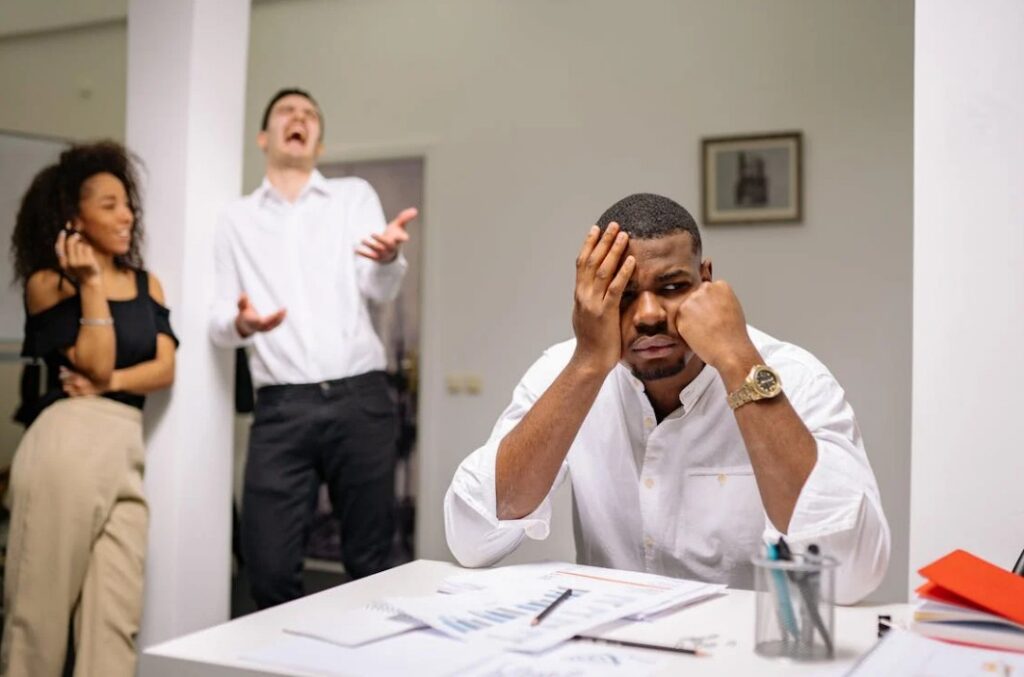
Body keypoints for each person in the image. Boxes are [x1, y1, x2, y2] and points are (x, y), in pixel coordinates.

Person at [444, 193, 890, 604]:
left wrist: (737, 363)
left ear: (707, 282)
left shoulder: (795, 376)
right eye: (624, 295)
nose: (650, 314)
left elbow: (850, 573)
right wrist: (587, 364)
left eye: (673, 287)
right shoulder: (569, 369)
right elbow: (471, 536)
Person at [210, 88, 417, 609]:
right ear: (265, 137)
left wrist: (389, 259)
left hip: (360, 399)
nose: (298, 119)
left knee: (372, 567)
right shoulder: (235, 219)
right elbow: (216, 320)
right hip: (282, 409)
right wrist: (241, 321)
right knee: (268, 568)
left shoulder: (353, 197)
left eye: (309, 115)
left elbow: (379, 288)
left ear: (317, 142)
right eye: (287, 112)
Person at [2, 141, 178, 676]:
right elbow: (95, 361)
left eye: (128, 204)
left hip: (125, 447)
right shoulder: (48, 284)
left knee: (114, 624)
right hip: (66, 445)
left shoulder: (147, 283)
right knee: (39, 620)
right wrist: (93, 283)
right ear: (73, 219)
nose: (126, 215)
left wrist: (110, 383)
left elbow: (164, 369)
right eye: (109, 205)